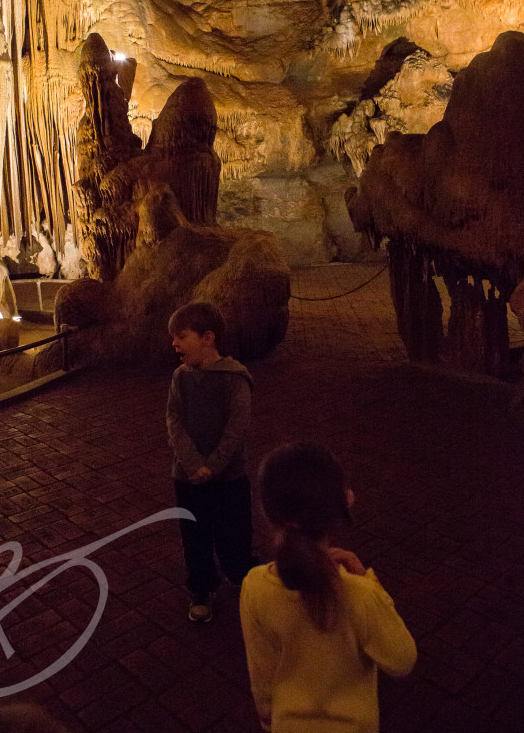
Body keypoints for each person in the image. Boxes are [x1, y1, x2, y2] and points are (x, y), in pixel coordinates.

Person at [240, 442, 416, 733]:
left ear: (267, 510)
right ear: (339, 506)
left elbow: (261, 667)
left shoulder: (254, 586)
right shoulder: (359, 593)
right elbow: (402, 659)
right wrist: (370, 583)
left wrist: (267, 715)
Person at [167, 300, 257, 623]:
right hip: (188, 477)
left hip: (229, 476)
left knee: (234, 530)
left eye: (182, 336)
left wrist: (214, 465)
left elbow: (237, 428)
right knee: (195, 534)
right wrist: (193, 464)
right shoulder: (181, 378)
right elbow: (173, 420)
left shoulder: (235, 379)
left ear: (208, 338)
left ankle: (239, 572)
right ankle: (202, 586)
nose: (175, 343)